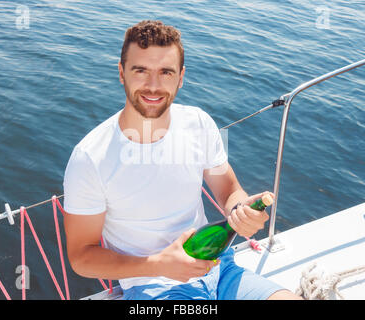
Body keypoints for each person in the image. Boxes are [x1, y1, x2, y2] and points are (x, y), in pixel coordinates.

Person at [63, 20, 302, 300]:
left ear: (181, 77)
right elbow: (81, 257)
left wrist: (241, 209)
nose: (153, 86)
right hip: (150, 285)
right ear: (121, 73)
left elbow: (228, 189)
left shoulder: (199, 122)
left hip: (219, 268)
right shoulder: (90, 157)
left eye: (166, 72)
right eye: (141, 71)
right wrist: (158, 265)